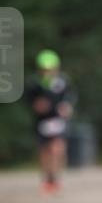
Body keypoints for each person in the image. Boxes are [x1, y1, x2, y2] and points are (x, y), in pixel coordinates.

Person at [26, 50, 76, 193]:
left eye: (50, 69)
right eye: (44, 69)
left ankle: (55, 177)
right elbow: (29, 100)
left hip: (58, 120)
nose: (47, 72)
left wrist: (67, 107)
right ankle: (47, 177)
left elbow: (70, 97)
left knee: (57, 148)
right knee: (44, 150)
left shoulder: (63, 82)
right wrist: (36, 105)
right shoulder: (34, 83)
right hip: (42, 121)